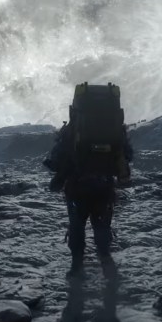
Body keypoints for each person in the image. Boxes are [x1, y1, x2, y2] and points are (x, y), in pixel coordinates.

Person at [44, 82, 133, 280]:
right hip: (104, 187)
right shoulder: (116, 130)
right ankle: (107, 265)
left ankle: (77, 267)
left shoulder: (72, 130)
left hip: (77, 187)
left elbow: (57, 158)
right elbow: (128, 155)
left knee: (77, 226)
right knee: (101, 226)